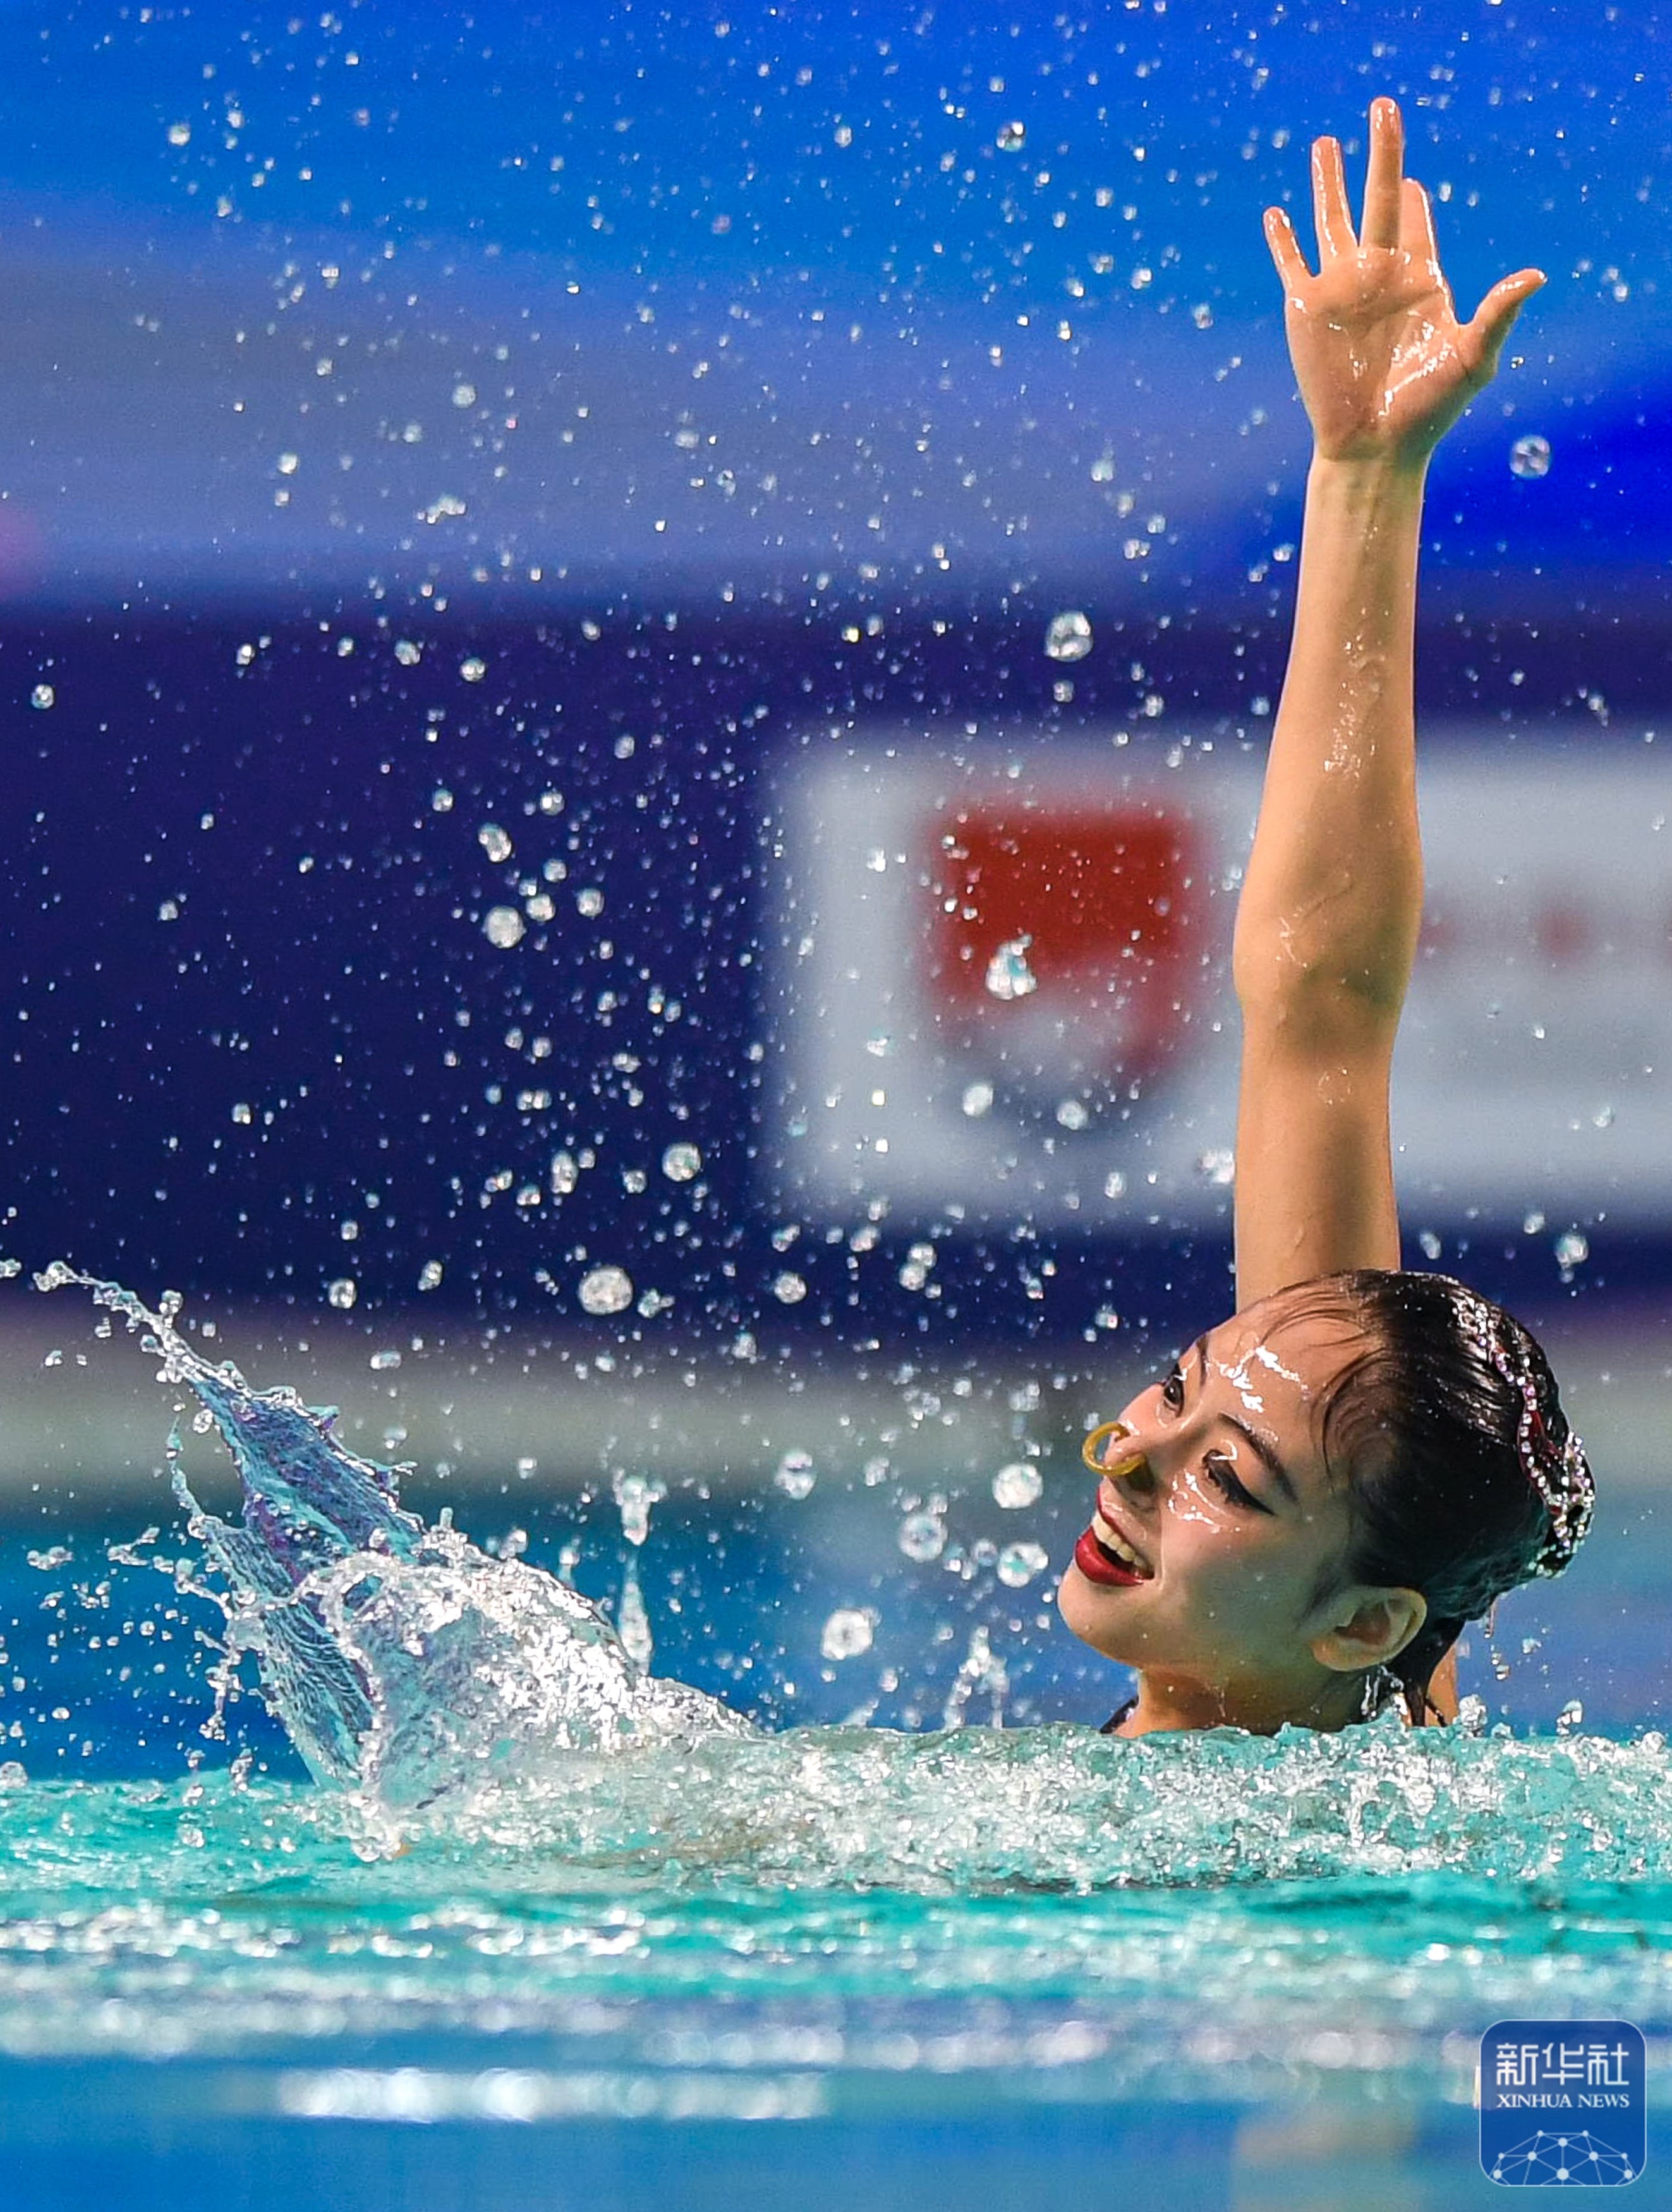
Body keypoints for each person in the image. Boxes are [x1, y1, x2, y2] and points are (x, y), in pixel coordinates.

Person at [1058, 97, 1594, 1738]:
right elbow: (1318, 1013)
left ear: (1369, 1622)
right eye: (1175, 1392)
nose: (1128, 1449)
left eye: (1221, 1469)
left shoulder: (1350, 1848)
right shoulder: (1343, 1615)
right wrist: (1361, 475)